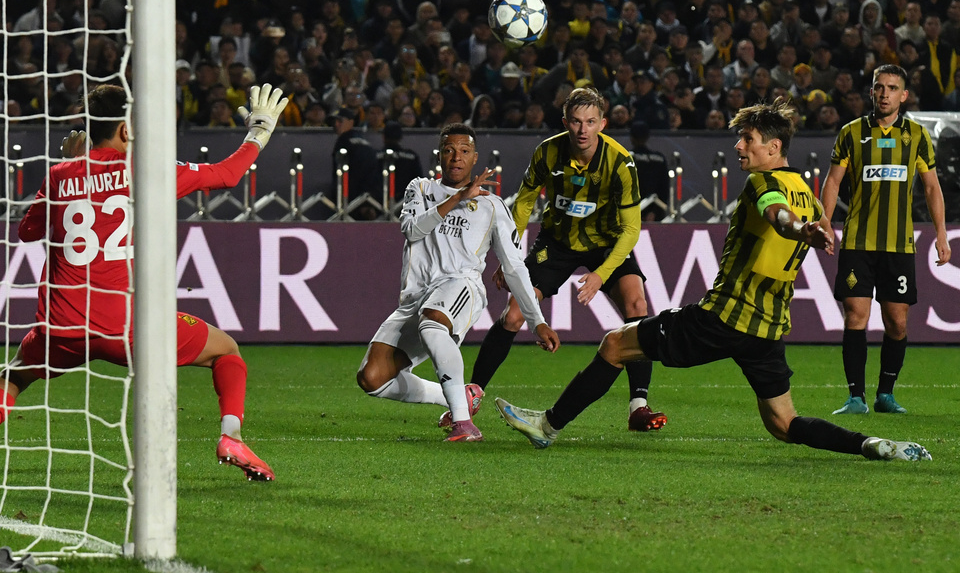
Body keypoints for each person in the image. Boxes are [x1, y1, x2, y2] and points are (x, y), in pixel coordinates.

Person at [495, 98, 933, 463]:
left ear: (773, 147)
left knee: (614, 344)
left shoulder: (763, 183)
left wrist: (799, 230)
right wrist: (808, 227)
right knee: (784, 424)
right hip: (767, 329)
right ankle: (871, 444)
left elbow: (775, 214)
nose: (739, 146)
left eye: (748, 139)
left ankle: (547, 426)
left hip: (723, 317)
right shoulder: (807, 193)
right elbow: (789, 217)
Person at [4, 83, 289, 481]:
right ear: (126, 129)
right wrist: (259, 132)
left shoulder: (59, 174)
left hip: (62, 326)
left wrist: (73, 168)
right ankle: (231, 437)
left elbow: (27, 232)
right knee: (226, 350)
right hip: (126, 328)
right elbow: (227, 175)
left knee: (14, 376)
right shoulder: (147, 170)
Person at [469, 88, 668, 432]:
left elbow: (631, 229)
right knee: (514, 314)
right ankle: (471, 395)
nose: (582, 129)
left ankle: (639, 406)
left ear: (602, 124)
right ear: (565, 122)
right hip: (557, 242)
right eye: (576, 121)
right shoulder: (547, 152)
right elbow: (523, 204)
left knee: (636, 304)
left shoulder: (621, 162)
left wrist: (601, 274)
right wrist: (509, 256)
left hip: (606, 243)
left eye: (590, 122)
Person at [356, 123, 559, 442]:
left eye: (464, 151)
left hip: (460, 287)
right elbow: (412, 230)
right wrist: (458, 198)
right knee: (372, 378)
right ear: (439, 156)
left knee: (433, 323)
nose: (456, 157)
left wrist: (537, 321)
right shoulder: (420, 188)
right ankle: (456, 396)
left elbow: (514, 267)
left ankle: (464, 424)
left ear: (475, 158)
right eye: (449, 150)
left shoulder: (492, 206)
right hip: (416, 298)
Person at [820, 64, 951, 415]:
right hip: (858, 242)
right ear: (871, 91)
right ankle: (856, 397)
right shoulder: (851, 132)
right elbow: (833, 181)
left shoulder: (917, 136)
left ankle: (885, 394)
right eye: (879, 87)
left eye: (892, 88)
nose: (884, 94)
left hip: (898, 245)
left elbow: (931, 187)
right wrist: (825, 221)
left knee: (897, 322)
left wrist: (941, 233)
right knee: (855, 317)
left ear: (903, 95)